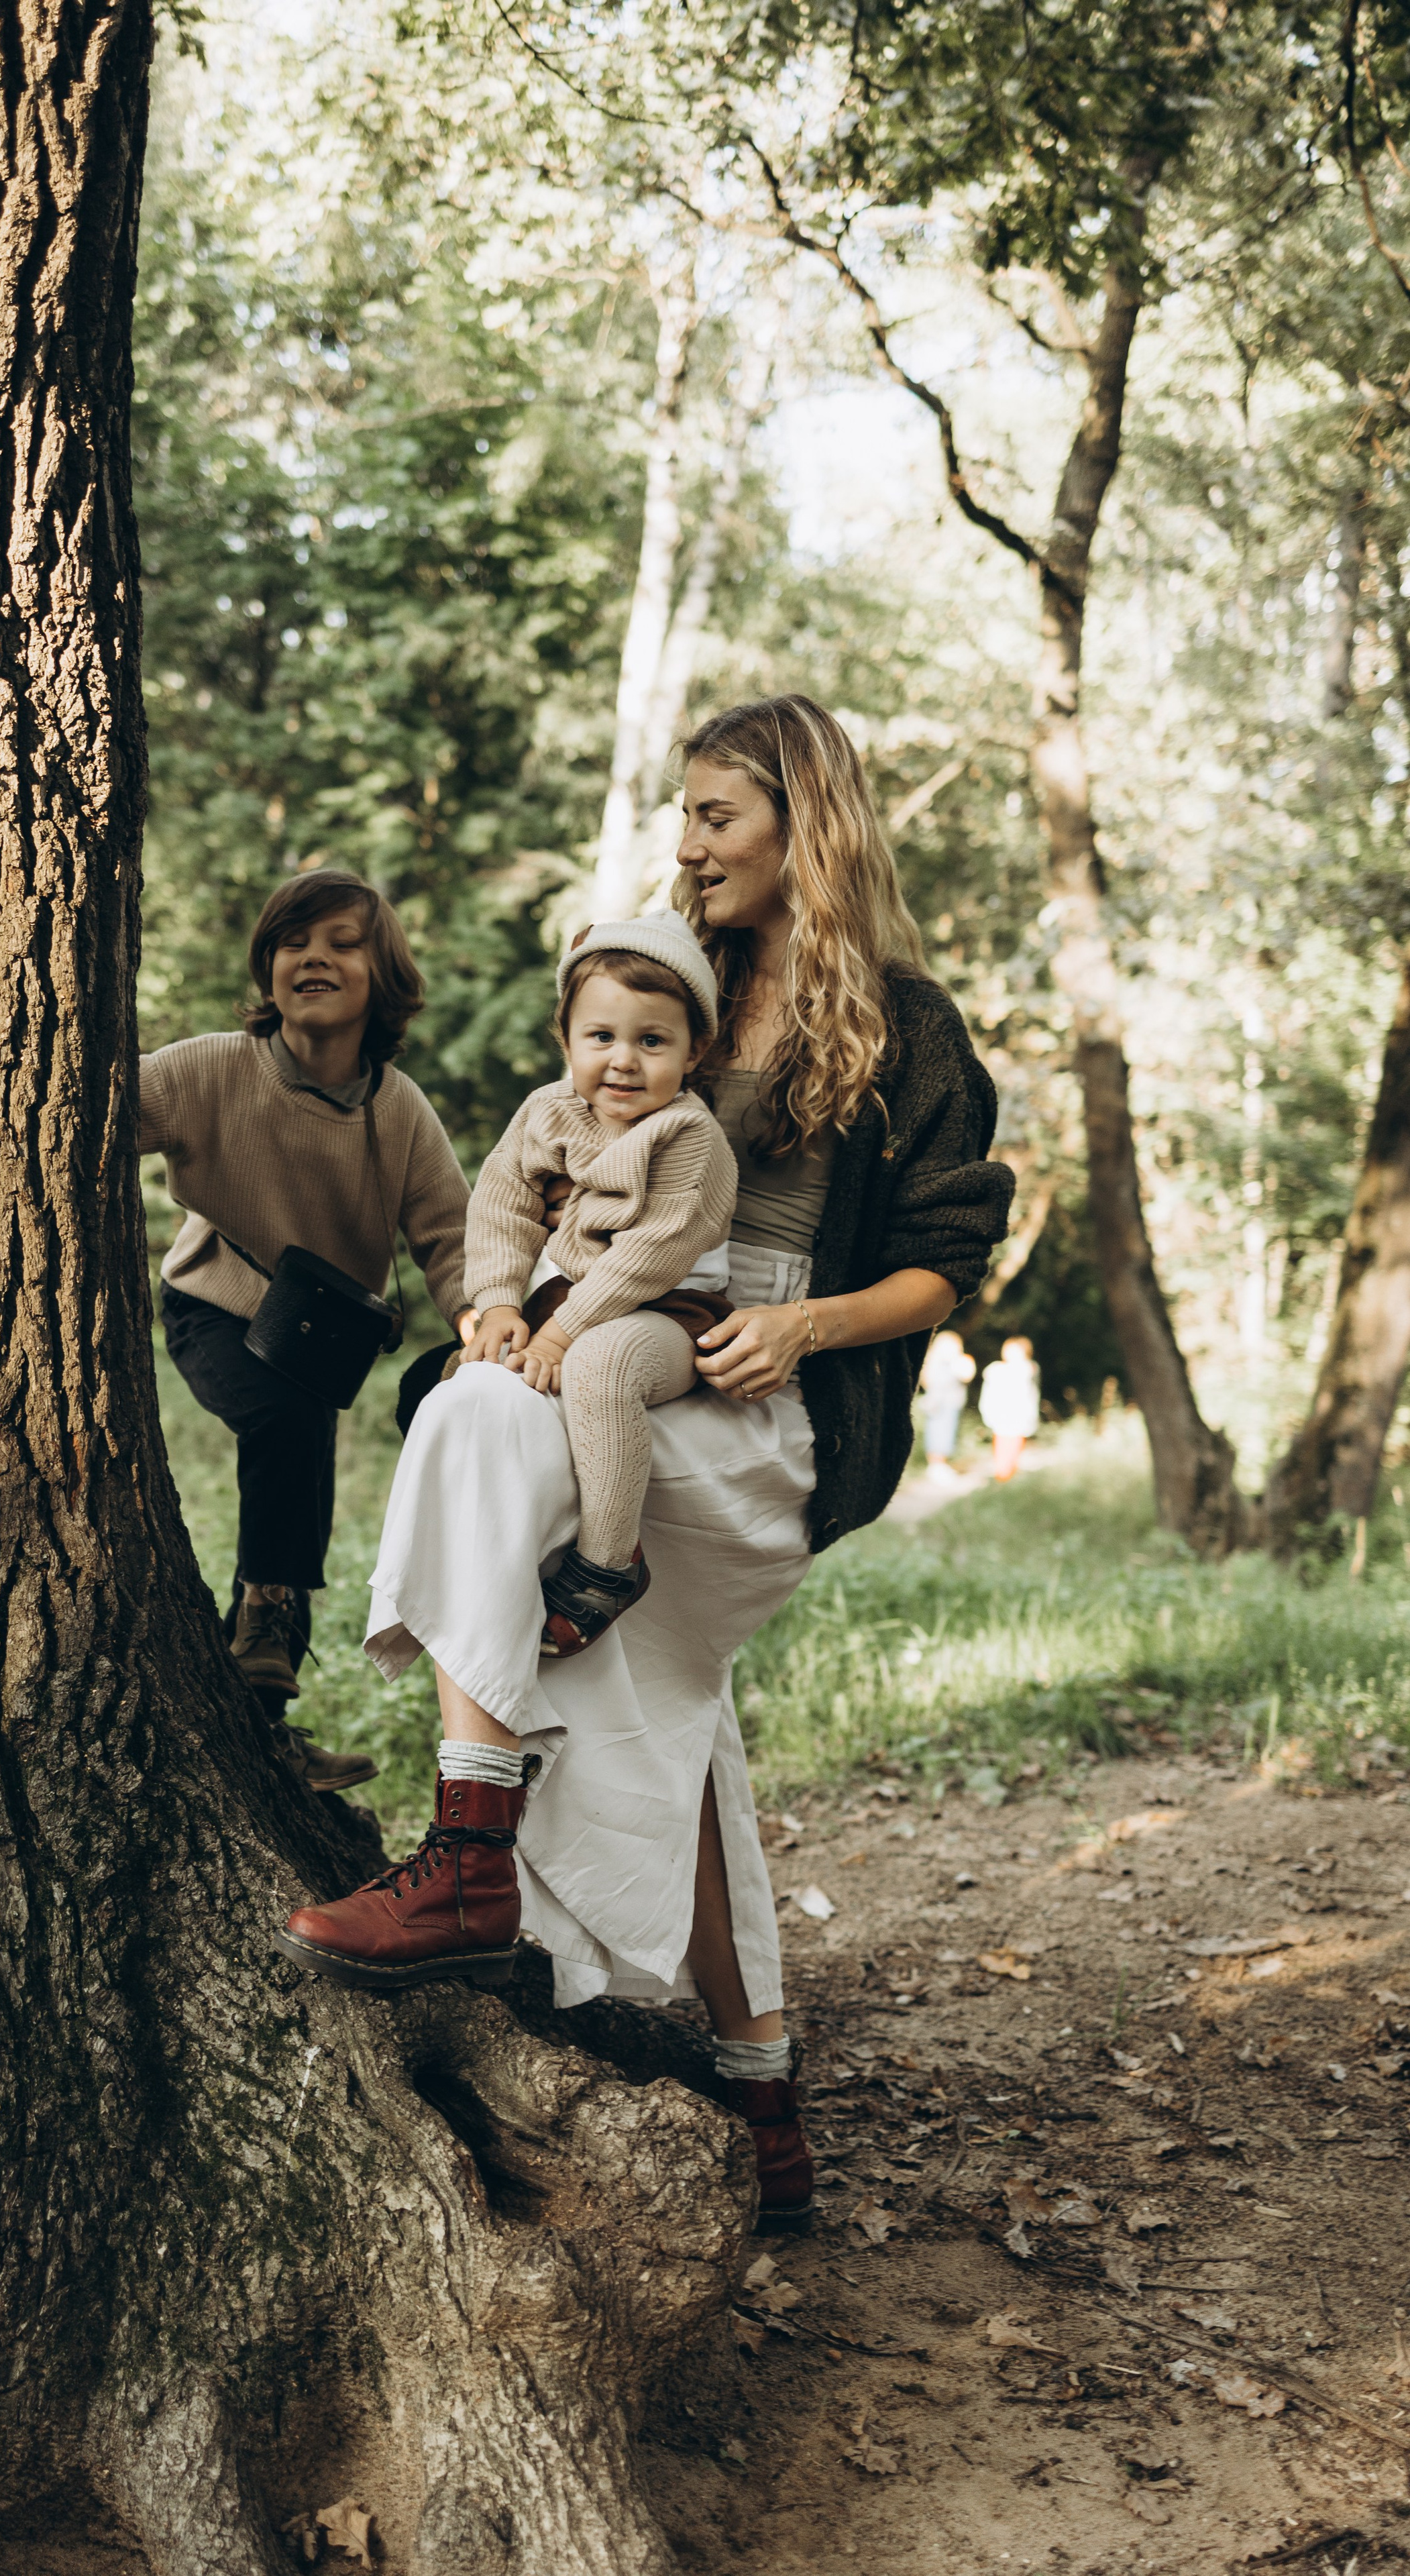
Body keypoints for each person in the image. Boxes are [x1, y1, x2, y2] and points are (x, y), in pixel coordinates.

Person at [276, 696, 1015, 2224]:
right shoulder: (666, 982)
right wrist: (508, 1295)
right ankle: (761, 2099)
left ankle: (471, 1853)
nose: (685, 842)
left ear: (799, 823)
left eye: (713, 815)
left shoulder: (903, 1021)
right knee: (670, 1706)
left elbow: (942, 1266)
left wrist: (802, 1327)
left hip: (770, 1411)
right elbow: (545, 1153)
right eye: (682, 814)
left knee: (482, 1432)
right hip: (611, 1354)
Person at [138, 867, 470, 1789]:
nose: (313, 956)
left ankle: (264, 1720)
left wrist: (486, 1321)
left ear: (385, 977)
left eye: (342, 941)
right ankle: (271, 1615)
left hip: (316, 1341)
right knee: (288, 1420)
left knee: (304, 1422)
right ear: (269, 966)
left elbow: (450, 1235)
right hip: (212, 1305)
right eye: (293, 940)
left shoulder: (397, 1111)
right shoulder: (211, 1068)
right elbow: (93, 1105)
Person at [460, 913, 737, 1657]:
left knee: (600, 1366)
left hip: (671, 1314)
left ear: (694, 1050)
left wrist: (558, 1334)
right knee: (471, 1379)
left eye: (652, 1042)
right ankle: (487, 1549)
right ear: (566, 1039)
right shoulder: (548, 1111)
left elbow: (650, 1253)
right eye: (601, 1037)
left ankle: (609, 1563)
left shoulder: (687, 1135)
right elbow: (502, 1203)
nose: (623, 1061)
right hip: (566, 1301)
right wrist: (496, 1303)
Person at [979, 1335, 1040, 1482]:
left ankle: (1009, 1475)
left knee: (1014, 1446)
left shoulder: (1028, 1368)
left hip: (1019, 1415)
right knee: (1001, 1444)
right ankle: (1001, 1475)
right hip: (1000, 1414)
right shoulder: (997, 1368)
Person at [920, 1328, 976, 1479]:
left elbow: (967, 1375)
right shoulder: (935, 1361)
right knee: (938, 1434)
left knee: (946, 1433)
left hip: (949, 1403)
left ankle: (940, 1466)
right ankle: (936, 1467)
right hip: (938, 1404)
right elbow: (926, 1381)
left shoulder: (958, 1361)